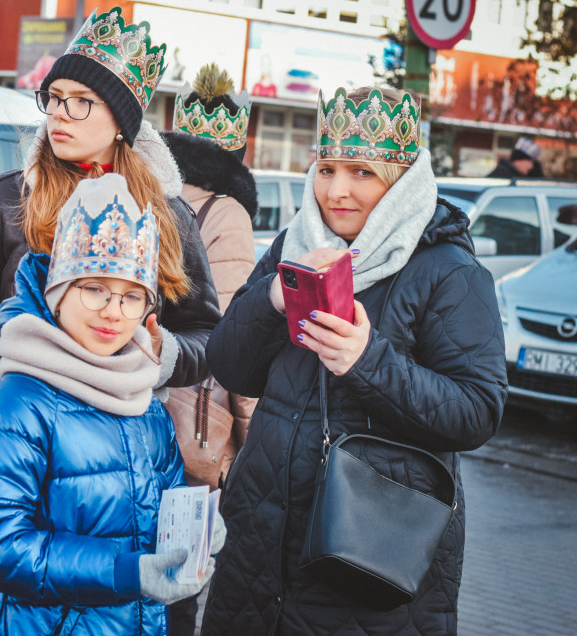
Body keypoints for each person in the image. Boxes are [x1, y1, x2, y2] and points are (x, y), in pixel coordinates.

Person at [0, 6, 221, 633]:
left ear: (121, 120)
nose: (59, 115)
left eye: (81, 102)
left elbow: (209, 333)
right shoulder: (11, 197)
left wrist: (160, 351)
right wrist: (28, 352)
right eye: (54, 98)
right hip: (22, 427)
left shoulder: (166, 213)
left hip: (126, 435)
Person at [200, 85, 507, 635]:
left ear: (399, 180)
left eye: (361, 172)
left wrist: (367, 361)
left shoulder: (450, 273)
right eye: (327, 168)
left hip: (370, 566)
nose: (336, 191)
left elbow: (476, 411)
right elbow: (231, 367)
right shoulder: (292, 247)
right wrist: (274, 295)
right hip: (260, 553)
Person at [0, 173, 223, 635]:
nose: (113, 312)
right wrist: (124, 571)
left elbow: (166, 507)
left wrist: (195, 536)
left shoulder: (143, 401)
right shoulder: (17, 405)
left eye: (132, 296)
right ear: (59, 292)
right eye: (94, 288)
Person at [162, 63, 259, 636]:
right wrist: (248, 432)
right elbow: (230, 332)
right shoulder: (229, 213)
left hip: (130, 405)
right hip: (191, 439)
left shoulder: (148, 188)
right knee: (179, 583)